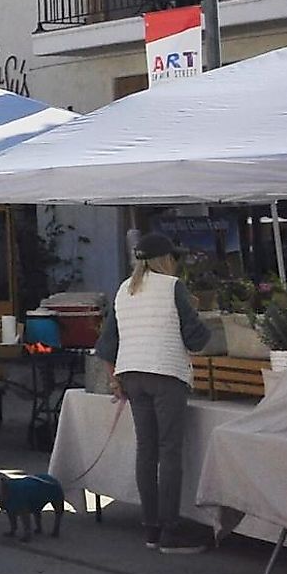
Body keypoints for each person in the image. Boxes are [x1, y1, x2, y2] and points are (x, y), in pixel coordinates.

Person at [93, 234, 213, 553]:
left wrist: (115, 379)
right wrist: (201, 319)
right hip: (165, 373)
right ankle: (171, 531)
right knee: (169, 451)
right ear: (165, 260)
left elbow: (106, 344)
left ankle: (151, 529)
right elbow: (196, 338)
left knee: (146, 450)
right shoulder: (172, 286)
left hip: (131, 374)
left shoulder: (123, 289)